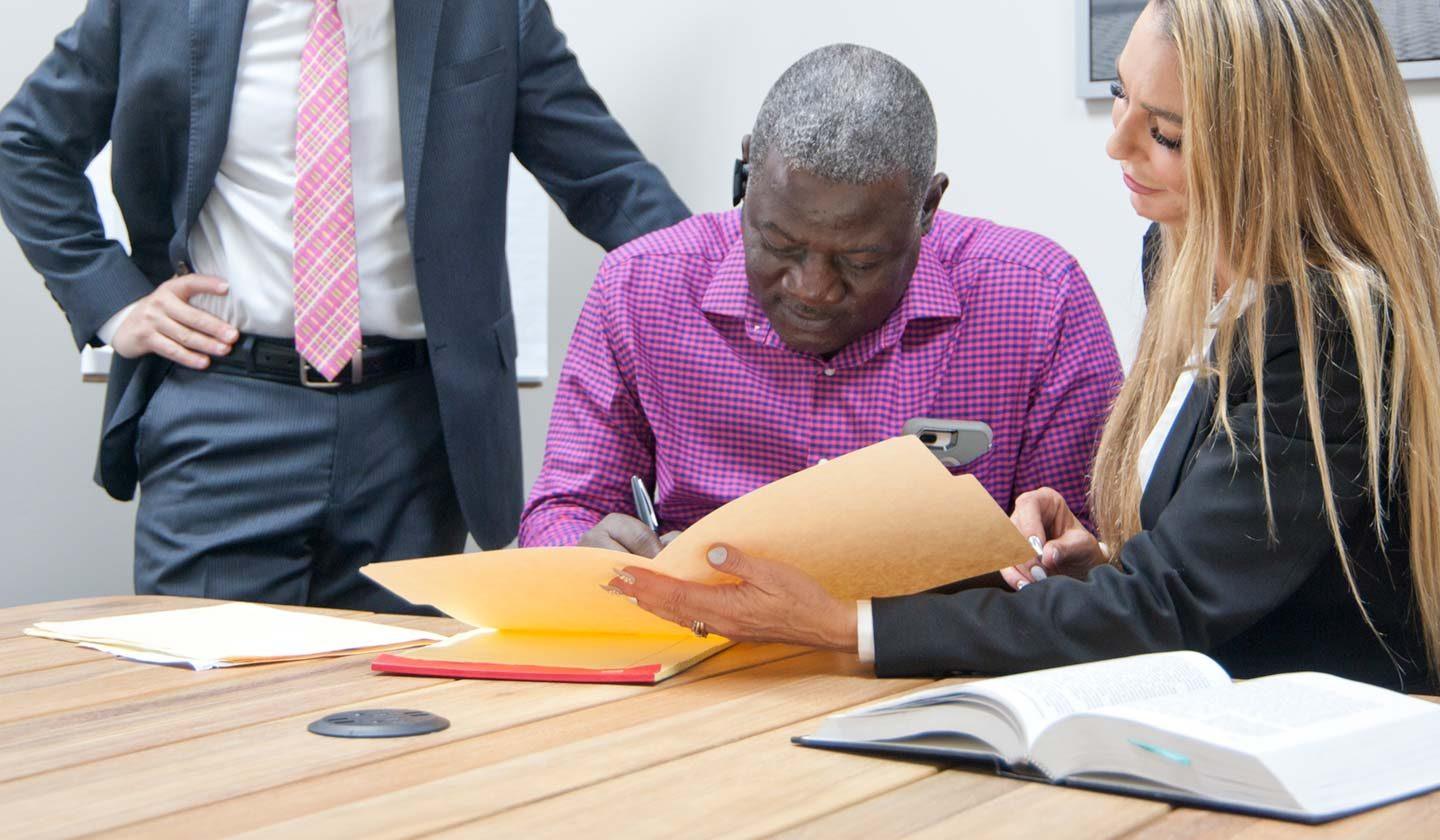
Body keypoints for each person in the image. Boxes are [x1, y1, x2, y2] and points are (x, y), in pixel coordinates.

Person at [608, 0, 1440, 693]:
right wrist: (1098, 557)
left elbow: (1172, 604)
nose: (1116, 143)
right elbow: (1232, 553)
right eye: (1119, 96)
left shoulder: (1332, 329)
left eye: (1168, 135)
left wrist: (839, 624)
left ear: (1282, 144)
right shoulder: (1180, 253)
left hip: (1322, 745)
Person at [0, 1, 688, 612]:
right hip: (222, 412)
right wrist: (116, 303)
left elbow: (609, 183)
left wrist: (729, 295)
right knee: (203, 716)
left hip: (415, 431)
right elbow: (24, 145)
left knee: (397, 722)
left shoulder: (488, 11)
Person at [518, 44, 1123, 561]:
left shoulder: (1039, 303)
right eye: (778, 244)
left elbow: (1084, 544)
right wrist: (585, 553)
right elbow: (561, 511)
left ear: (928, 208)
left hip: (938, 669)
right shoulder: (640, 289)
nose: (811, 288)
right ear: (747, 173)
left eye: (859, 261)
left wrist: (1059, 559)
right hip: (699, 667)